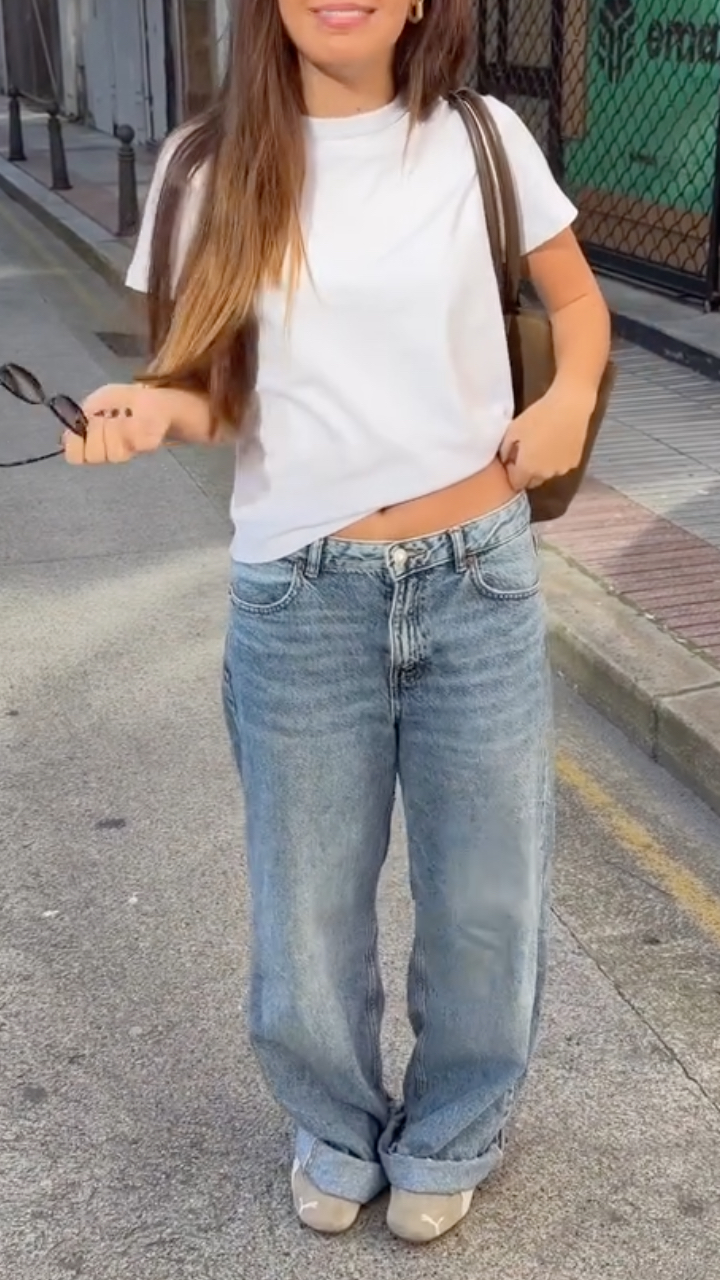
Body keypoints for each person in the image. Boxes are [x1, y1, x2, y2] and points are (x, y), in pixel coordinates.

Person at [64, 0, 610, 1246]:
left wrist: (571, 399)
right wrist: (150, 412)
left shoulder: (483, 139)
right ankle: (333, 1124)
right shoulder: (203, 165)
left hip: (477, 579)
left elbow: (578, 308)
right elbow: (209, 395)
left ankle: (455, 1127)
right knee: (305, 903)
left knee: (487, 894)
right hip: (300, 598)